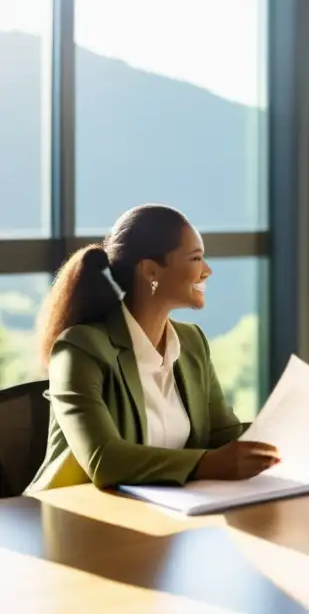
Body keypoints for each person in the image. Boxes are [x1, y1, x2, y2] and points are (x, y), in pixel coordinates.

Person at [26, 205, 278, 493]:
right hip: (73, 517)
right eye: (196, 258)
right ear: (151, 271)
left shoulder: (192, 342)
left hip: (163, 510)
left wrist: (283, 434)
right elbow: (103, 460)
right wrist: (206, 464)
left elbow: (222, 435)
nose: (207, 270)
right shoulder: (79, 350)